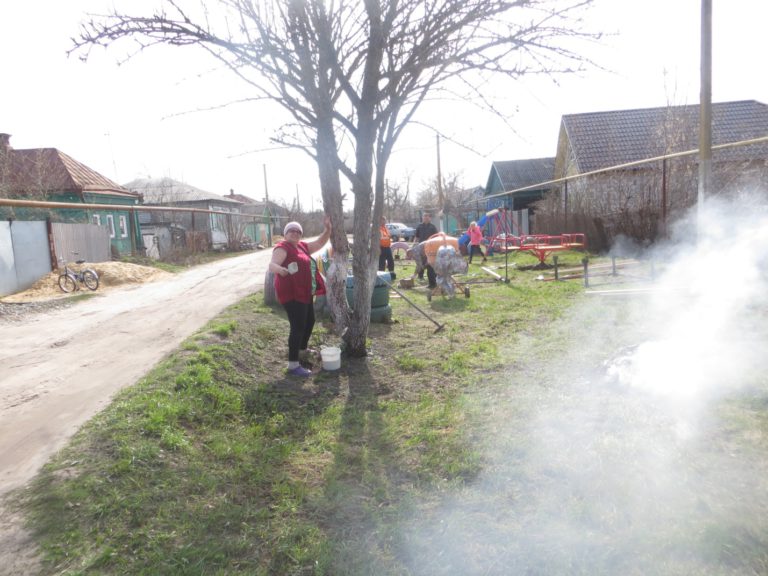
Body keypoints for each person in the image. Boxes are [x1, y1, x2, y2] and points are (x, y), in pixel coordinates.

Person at [269, 217, 331, 377]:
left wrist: (327, 230)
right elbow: (272, 264)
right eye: (291, 230)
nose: (295, 233)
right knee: (297, 326)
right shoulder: (283, 247)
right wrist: (280, 270)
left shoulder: (302, 247)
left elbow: (319, 243)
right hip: (291, 293)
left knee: (309, 321)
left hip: (304, 292)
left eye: (298, 231)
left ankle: (302, 350)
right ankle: (293, 364)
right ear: (285, 234)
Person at [414, 212, 438, 289]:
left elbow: (436, 238)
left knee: (430, 265)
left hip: (430, 248)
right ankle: (420, 276)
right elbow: (416, 237)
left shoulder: (433, 227)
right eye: (424, 216)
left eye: (427, 216)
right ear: (423, 218)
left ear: (430, 218)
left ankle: (432, 282)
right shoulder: (419, 226)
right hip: (421, 248)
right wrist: (414, 245)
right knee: (420, 262)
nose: (426, 217)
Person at [378, 216, 396, 280]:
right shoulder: (378, 228)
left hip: (388, 247)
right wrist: (378, 248)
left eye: (384, 220)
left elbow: (388, 237)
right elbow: (376, 239)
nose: (384, 221)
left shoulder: (386, 228)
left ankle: (391, 274)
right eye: (382, 220)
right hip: (381, 248)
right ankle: (381, 276)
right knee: (381, 263)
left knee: (391, 261)